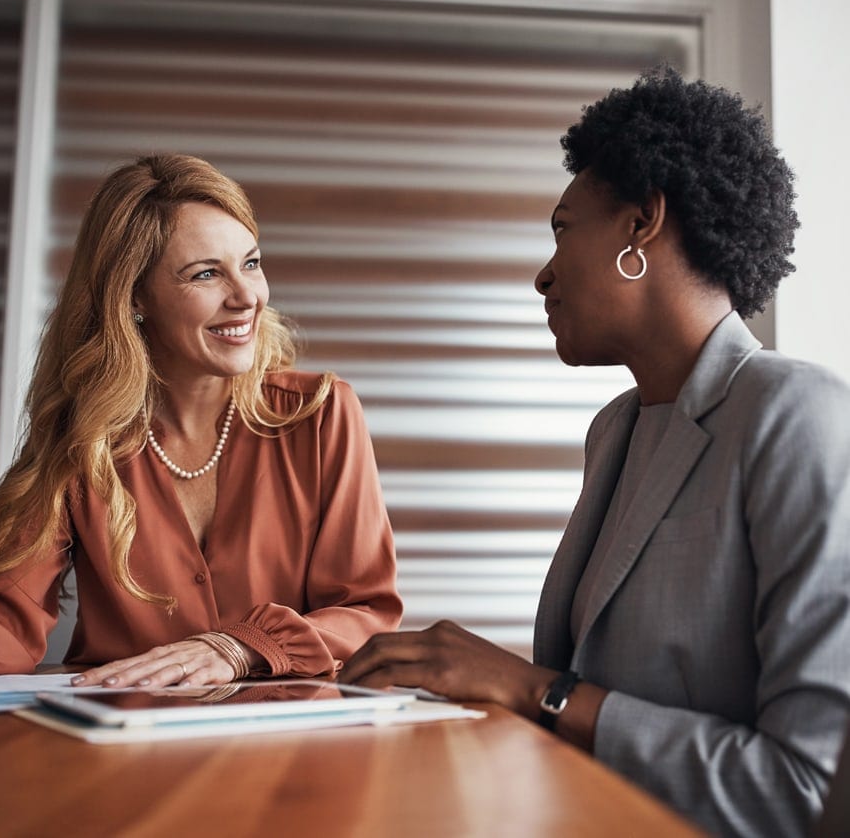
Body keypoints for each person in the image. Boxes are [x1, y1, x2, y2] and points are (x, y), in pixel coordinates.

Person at [339, 66, 850, 838]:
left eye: (563, 228)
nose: (544, 273)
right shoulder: (616, 428)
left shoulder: (796, 415)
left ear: (642, 223)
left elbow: (801, 789)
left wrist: (530, 688)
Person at [0, 153, 402, 686]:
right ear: (135, 296)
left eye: (251, 264)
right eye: (206, 273)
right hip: (122, 743)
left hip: (288, 745)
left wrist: (241, 647)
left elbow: (368, 615)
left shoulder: (322, 415)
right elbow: (7, 620)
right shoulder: (82, 437)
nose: (246, 298)